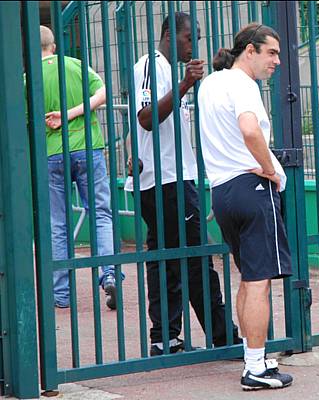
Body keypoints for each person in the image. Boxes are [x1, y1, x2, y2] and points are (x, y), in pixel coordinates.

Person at [125, 12, 241, 357]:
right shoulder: (150, 64)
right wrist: (186, 84)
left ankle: (165, 339)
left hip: (171, 178)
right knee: (194, 258)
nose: (193, 46)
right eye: (190, 38)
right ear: (167, 33)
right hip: (167, 182)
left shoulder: (168, 70)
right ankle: (224, 338)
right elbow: (145, 119)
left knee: (167, 259)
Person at [198, 23, 294, 390]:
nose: (277, 61)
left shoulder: (211, 83)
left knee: (247, 278)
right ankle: (255, 368)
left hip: (222, 191)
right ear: (249, 50)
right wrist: (271, 169)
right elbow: (250, 131)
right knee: (259, 282)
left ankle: (252, 357)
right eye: (271, 52)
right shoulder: (243, 85)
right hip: (252, 186)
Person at [40, 25, 119, 310]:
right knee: (101, 214)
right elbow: (103, 94)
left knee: (58, 223)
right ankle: (108, 272)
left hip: (51, 153)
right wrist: (73, 113)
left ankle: (61, 293)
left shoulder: (29, 78)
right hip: (89, 147)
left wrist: (59, 118)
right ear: (53, 46)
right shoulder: (74, 65)